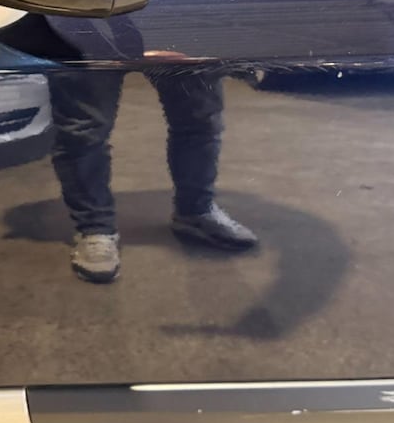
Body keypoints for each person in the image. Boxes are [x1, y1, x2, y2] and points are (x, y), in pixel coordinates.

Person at [49, 58, 257, 283]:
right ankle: (94, 229)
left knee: (199, 118)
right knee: (83, 130)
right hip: (92, 37)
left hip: (173, 35)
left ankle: (196, 212)